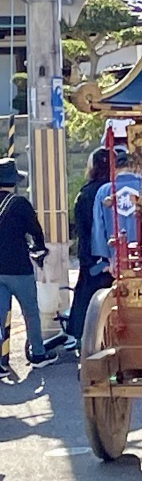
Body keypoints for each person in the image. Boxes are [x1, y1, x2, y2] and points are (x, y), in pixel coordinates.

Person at [0, 158, 57, 375]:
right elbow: (35, 232)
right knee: (30, 313)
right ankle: (38, 353)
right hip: (19, 269)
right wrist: (39, 249)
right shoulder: (20, 204)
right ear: (13, 182)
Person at [66, 148, 114, 349]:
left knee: (90, 301)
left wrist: (87, 259)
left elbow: (82, 232)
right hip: (119, 256)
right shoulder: (117, 190)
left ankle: (86, 342)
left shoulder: (85, 194)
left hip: (93, 258)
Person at [91, 146, 142, 267]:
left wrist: (108, 258)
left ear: (115, 168)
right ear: (135, 167)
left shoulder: (104, 191)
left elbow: (99, 227)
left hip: (116, 255)